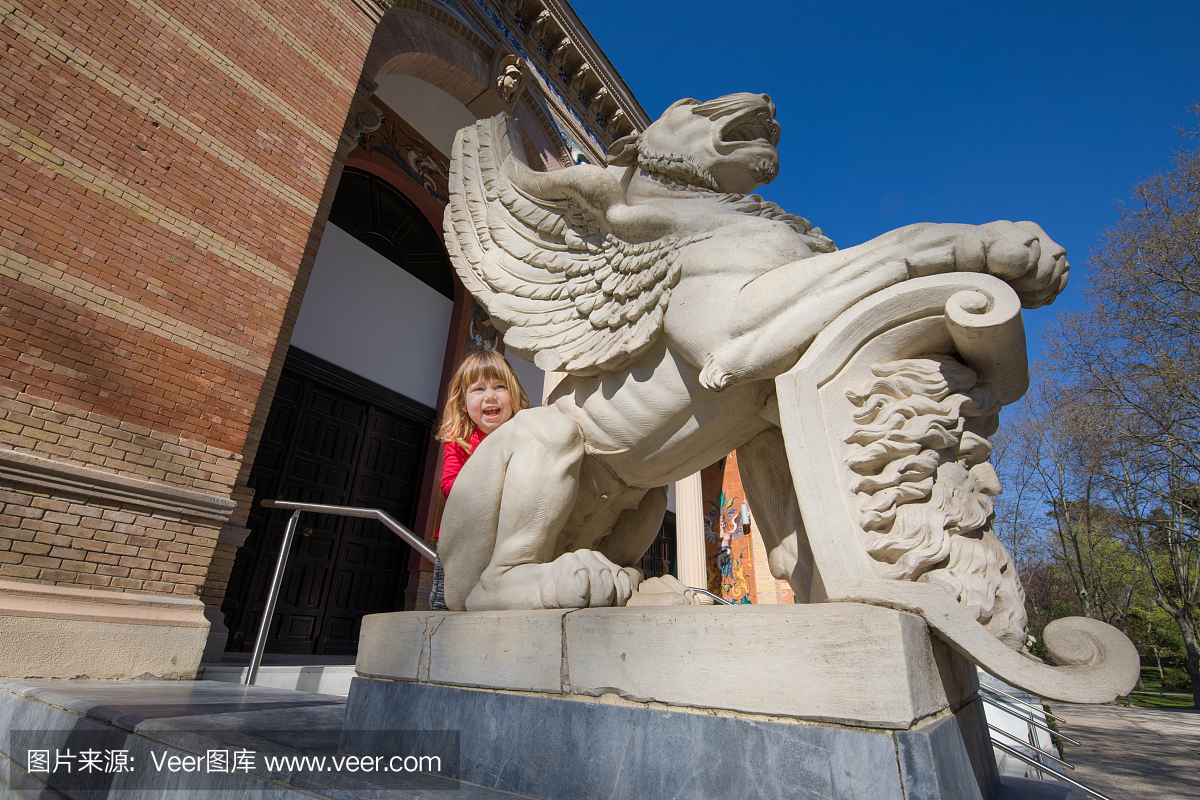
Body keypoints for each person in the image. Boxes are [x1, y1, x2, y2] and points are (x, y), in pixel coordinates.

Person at [429, 349, 531, 609]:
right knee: (449, 605)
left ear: (514, 395)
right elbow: (449, 485)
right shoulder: (459, 437)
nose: (490, 396)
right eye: (478, 389)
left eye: (500, 387)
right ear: (463, 402)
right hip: (461, 536)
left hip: (507, 537)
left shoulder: (523, 436)